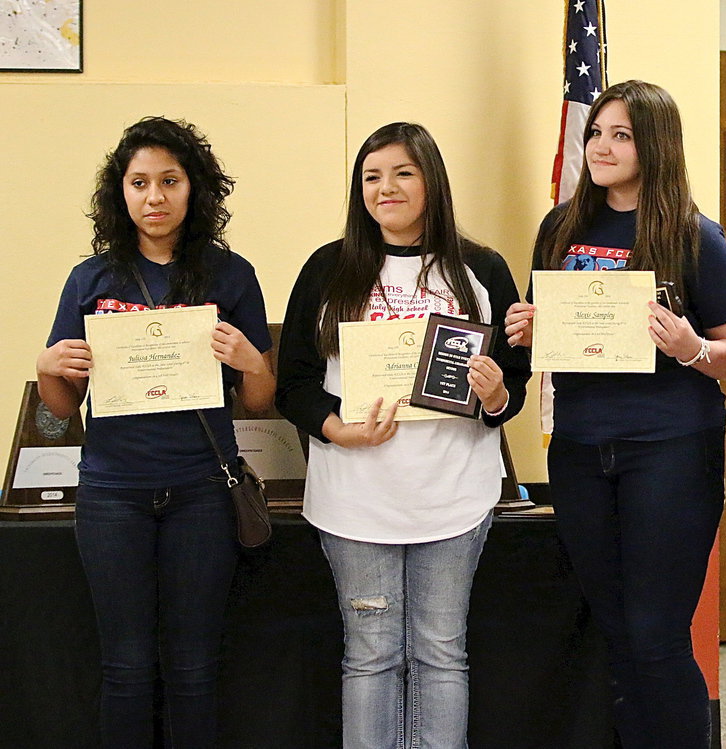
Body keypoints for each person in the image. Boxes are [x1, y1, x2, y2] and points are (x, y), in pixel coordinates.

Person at [504, 80, 726, 748]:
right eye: (595, 133)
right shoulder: (561, 228)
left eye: (621, 135)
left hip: (670, 448)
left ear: (656, 145)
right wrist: (526, 325)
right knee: (615, 632)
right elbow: (542, 325)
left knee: (656, 633)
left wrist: (691, 346)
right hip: (581, 448)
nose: (601, 146)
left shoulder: (695, 235)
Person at [275, 122, 529, 749]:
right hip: (355, 496)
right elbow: (296, 383)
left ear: (431, 181)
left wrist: (496, 394)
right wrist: (340, 429)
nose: (385, 188)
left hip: (453, 496)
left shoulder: (482, 269)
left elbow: (512, 388)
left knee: (443, 655)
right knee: (370, 656)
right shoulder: (329, 268)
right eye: (371, 176)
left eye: (402, 173)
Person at [36, 116, 274, 748]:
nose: (154, 197)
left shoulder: (231, 274)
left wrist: (254, 362)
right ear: (121, 192)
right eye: (139, 182)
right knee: (126, 668)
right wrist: (47, 368)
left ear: (194, 189)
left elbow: (257, 400)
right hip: (113, 494)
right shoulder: (91, 279)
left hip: (202, 491)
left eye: (169, 180)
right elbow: (62, 407)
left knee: (195, 669)